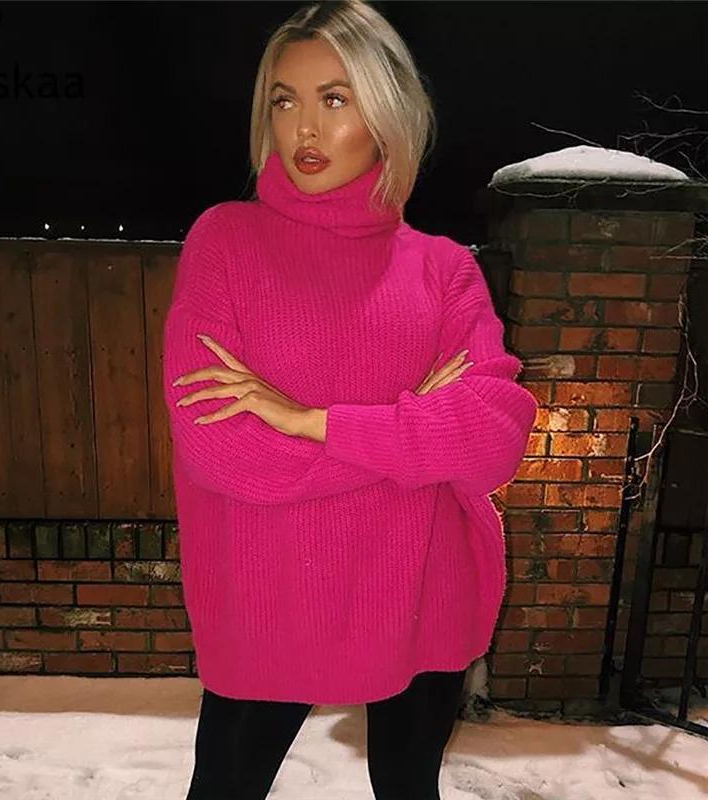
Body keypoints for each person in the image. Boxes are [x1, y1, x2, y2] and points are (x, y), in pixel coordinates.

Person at [163, 1, 539, 797]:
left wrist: (313, 422)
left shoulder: (443, 269)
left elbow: (495, 439)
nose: (304, 126)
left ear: (387, 111)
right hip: (271, 596)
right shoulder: (225, 242)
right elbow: (220, 448)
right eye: (284, 99)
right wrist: (413, 436)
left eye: (335, 98)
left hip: (420, 589)